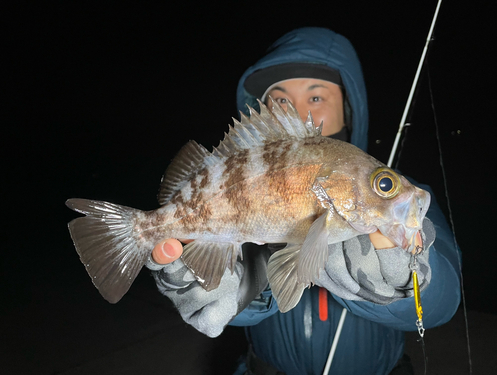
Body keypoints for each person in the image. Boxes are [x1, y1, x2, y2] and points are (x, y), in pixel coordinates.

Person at [146, 27, 461, 374]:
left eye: (315, 97)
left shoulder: (407, 188)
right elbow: (261, 295)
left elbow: (443, 304)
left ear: (348, 107)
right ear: (262, 108)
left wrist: (412, 276)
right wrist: (225, 290)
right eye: (280, 100)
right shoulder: (246, 172)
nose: (296, 110)